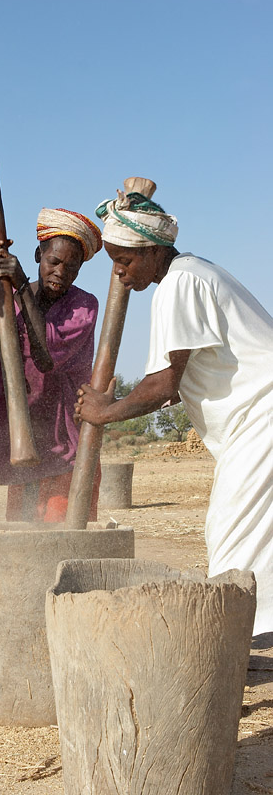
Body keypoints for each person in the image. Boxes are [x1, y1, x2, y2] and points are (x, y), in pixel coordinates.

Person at [75, 187, 273, 636]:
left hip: (263, 415)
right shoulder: (194, 273)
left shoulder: (180, 284)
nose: (119, 273)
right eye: (113, 261)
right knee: (260, 536)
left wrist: (105, 411)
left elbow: (164, 384)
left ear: (152, 251)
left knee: (233, 531)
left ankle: (242, 640)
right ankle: (258, 634)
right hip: (259, 418)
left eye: (124, 260)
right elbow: (174, 388)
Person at [0, 208, 103, 522]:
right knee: (22, 541)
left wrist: (21, 284)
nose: (61, 273)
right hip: (21, 447)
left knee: (60, 538)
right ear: (39, 254)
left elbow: (46, 355)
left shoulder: (81, 306)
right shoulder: (5, 301)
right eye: (55, 261)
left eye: (72, 267)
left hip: (64, 448)